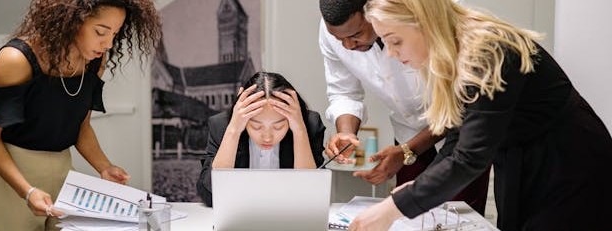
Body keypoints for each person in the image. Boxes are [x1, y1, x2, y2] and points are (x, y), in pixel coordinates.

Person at [349, 0, 612, 230]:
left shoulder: (487, 50)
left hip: (569, 161)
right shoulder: (454, 51)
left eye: (395, 41)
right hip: (520, 158)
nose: (392, 54)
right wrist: (420, 185)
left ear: (424, 21)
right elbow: (459, 132)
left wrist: (393, 208)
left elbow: (469, 158)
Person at [0, 0, 161, 230]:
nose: (109, 43)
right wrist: (27, 191)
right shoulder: (16, 59)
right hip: (13, 178)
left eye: (115, 33)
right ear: (72, 21)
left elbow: (82, 129)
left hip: (63, 173)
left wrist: (104, 166)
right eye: (100, 32)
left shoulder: (95, 61)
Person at [318, 0, 489, 214]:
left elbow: (462, 106)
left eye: (355, 35)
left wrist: (408, 150)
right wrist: (346, 133)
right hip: (406, 133)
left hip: (462, 136)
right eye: (338, 39)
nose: (348, 46)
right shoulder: (335, 31)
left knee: (457, 216)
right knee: (407, 216)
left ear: (375, 12)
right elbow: (343, 91)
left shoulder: (426, 19)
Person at [196, 72, 326, 207]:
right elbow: (210, 195)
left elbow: (311, 197)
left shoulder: (309, 125)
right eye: (256, 126)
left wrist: (299, 131)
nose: (267, 137)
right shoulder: (221, 126)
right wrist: (233, 131)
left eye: (278, 126)